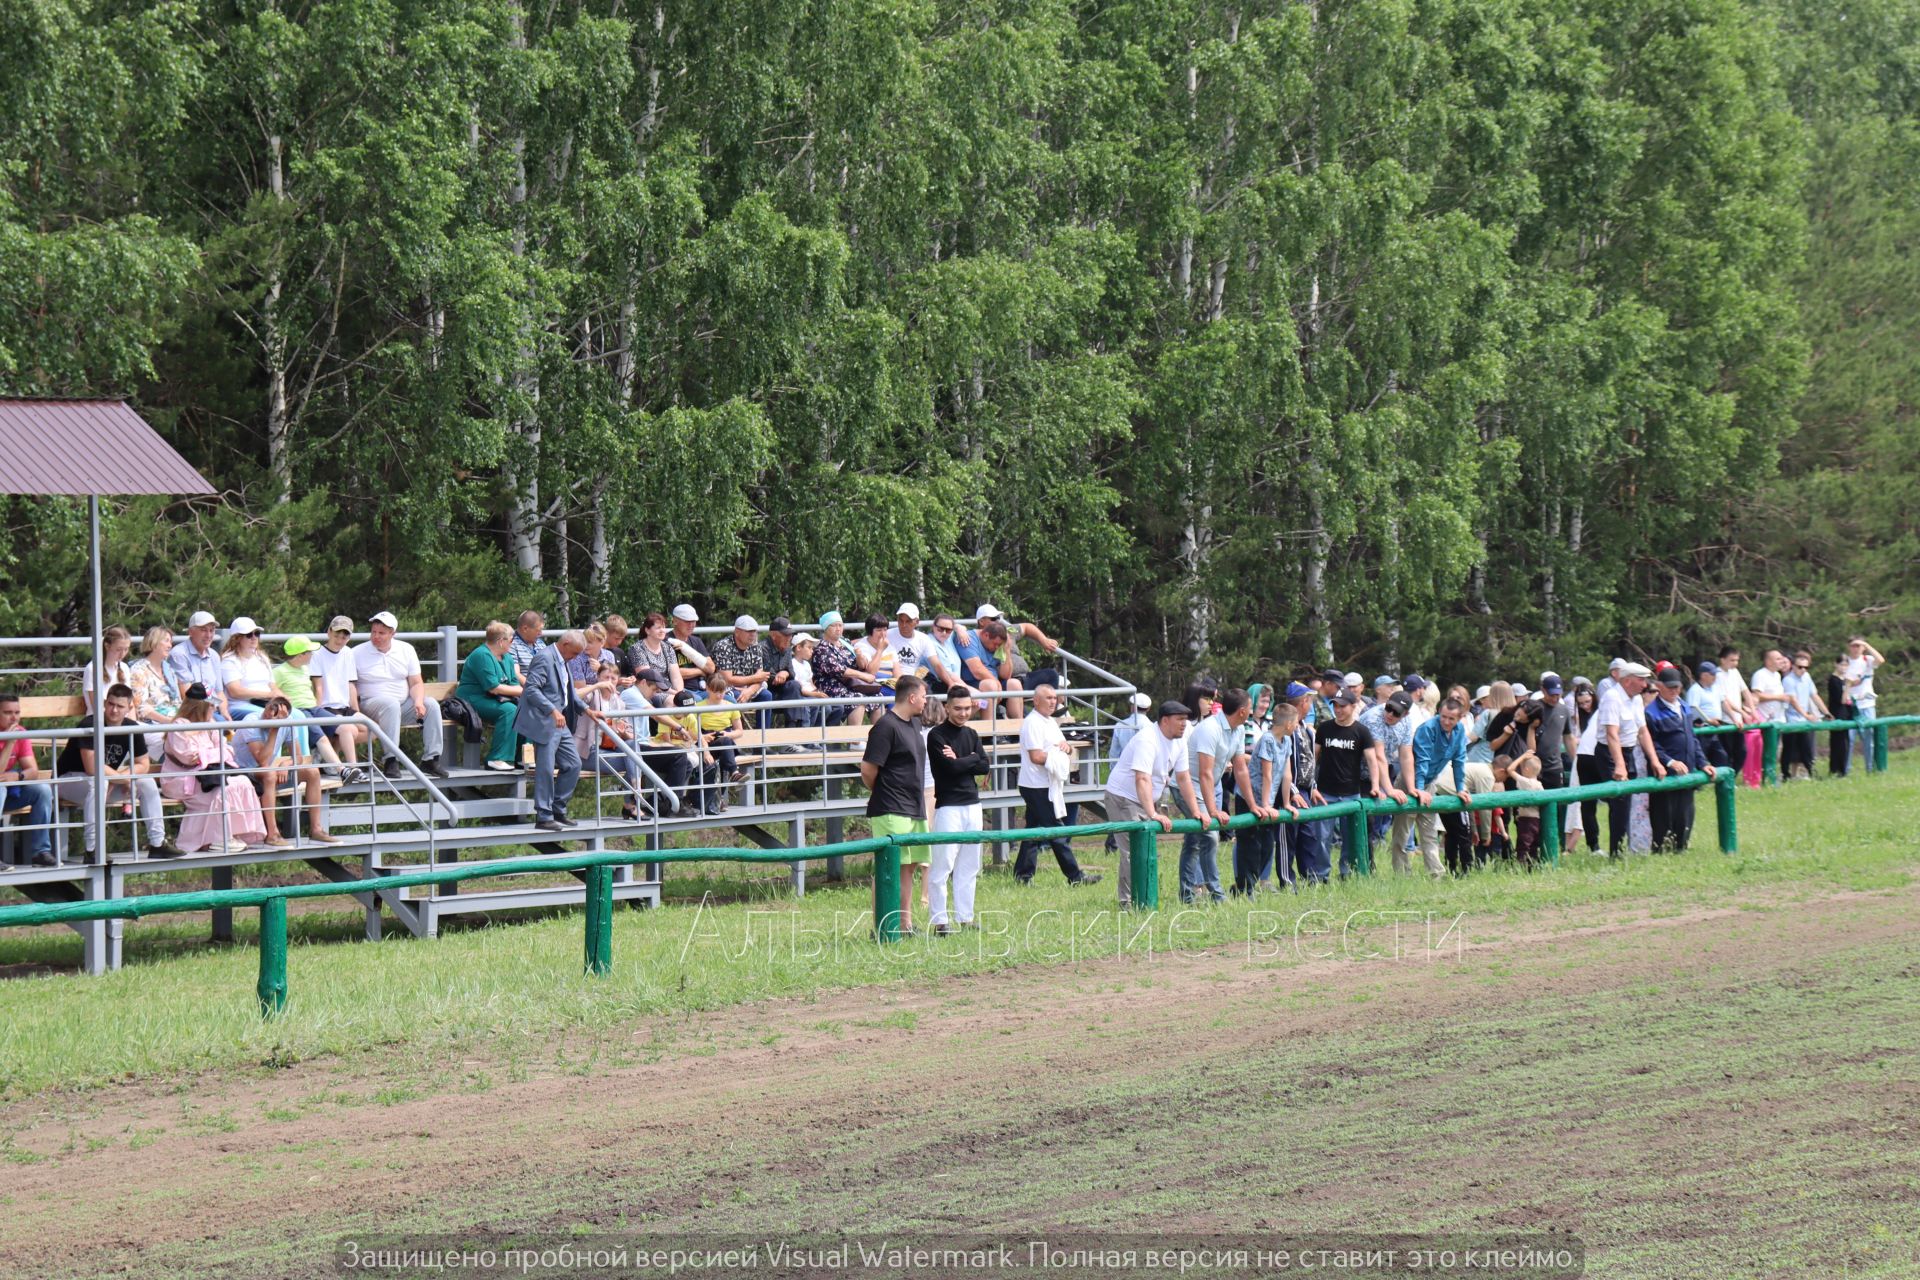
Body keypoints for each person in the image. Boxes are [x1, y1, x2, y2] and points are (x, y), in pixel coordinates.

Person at [1103, 700, 1208, 908]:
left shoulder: (1179, 740)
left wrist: (1196, 811)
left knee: (1146, 851)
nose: (1184, 724)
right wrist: (1153, 814)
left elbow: (1184, 777)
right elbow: (1141, 779)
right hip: (1123, 798)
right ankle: (1128, 902)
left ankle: (1145, 898)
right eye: (1179, 719)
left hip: (1145, 798)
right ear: (1165, 720)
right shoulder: (1147, 739)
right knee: (1132, 853)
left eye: (1185, 720)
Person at [55, 683, 176, 860]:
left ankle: (157, 844)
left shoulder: (131, 727)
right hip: (68, 781)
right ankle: (93, 849)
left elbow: (143, 764)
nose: (114, 710)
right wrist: (123, 779)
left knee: (146, 782)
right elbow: (93, 767)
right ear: (104, 703)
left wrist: (118, 779)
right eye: (111, 704)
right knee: (100, 782)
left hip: (104, 783)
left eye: (120, 706)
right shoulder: (90, 724)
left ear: (129, 708)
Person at [1176, 689, 1269, 902]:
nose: (1254, 710)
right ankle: (1214, 894)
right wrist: (1213, 811)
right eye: (1251, 707)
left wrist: (1252, 805)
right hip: (1189, 785)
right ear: (1243, 711)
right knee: (1209, 836)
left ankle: (1190, 893)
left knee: (1197, 839)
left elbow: (1241, 770)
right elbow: (1204, 773)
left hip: (1211, 785)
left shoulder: (1237, 730)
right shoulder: (1210, 729)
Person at [861, 673, 932, 935]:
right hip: (890, 808)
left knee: (909, 867)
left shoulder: (914, 724)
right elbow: (868, 770)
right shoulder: (885, 726)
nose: (926, 701)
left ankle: (904, 924)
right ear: (912, 697)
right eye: (923, 697)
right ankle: (882, 926)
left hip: (914, 807)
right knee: (889, 867)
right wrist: (884, 791)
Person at [160, 687, 266, 854]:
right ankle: (218, 839)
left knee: (242, 781)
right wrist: (214, 754)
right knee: (223, 788)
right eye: (211, 706)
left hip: (208, 774)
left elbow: (228, 751)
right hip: (181, 778)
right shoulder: (179, 725)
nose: (214, 709)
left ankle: (232, 833)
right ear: (201, 706)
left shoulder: (210, 724)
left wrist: (207, 755)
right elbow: (189, 757)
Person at [1014, 683, 1100, 887]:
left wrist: (1066, 749)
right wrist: (1058, 758)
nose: (1053, 701)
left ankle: (1023, 875)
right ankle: (1075, 877)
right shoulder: (1032, 723)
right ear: (1036, 701)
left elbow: (1066, 747)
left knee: (1033, 830)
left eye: (1055, 697)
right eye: (1048, 698)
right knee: (1056, 831)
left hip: (1047, 784)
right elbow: (1035, 756)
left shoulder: (1051, 722)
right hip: (1036, 785)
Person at [1579, 661, 1663, 856]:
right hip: (1609, 753)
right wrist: (1619, 765)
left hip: (1627, 750)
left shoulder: (1636, 699)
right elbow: (1611, 734)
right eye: (1641, 680)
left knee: (1627, 800)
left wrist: (1655, 760)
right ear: (1627, 681)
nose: (1645, 685)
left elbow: (1643, 732)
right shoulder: (1612, 697)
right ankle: (1617, 851)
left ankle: (1623, 846)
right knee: (1619, 799)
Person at [354, 611, 450, 777]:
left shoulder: (406, 649)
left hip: (401, 704)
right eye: (373, 632)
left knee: (431, 705)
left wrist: (418, 702)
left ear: (393, 633)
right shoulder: (356, 652)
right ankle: (391, 760)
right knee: (390, 704)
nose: (376, 636)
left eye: (381, 633)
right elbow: (351, 686)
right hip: (369, 706)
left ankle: (431, 759)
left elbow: (416, 683)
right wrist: (354, 711)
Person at [926, 686, 990, 933]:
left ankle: (966, 918)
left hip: (973, 805)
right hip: (949, 807)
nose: (963, 713)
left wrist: (965, 759)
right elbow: (950, 769)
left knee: (970, 865)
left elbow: (984, 766)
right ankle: (940, 921)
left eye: (967, 708)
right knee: (942, 866)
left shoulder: (972, 733)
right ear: (946, 707)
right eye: (957, 708)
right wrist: (972, 759)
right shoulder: (936, 735)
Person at [232, 695, 335, 845]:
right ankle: (272, 833)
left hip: (269, 770)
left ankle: (316, 829)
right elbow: (262, 761)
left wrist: (286, 764)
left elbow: (298, 757)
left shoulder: (287, 723)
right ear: (266, 707)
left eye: (275, 715)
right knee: (269, 774)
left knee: (312, 772)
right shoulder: (251, 721)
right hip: (244, 772)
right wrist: (275, 729)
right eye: (268, 712)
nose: (268, 716)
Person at [516, 629, 585, 833]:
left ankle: (557, 808)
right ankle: (544, 815)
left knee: (573, 764)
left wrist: (588, 710)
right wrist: (553, 711)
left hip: (559, 722)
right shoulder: (544, 658)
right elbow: (531, 689)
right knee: (545, 768)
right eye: (573, 653)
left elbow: (567, 691)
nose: (575, 658)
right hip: (545, 721)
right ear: (565, 645)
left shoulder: (564, 660)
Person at [1312, 690, 1381, 878]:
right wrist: (1312, 785)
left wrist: (1375, 786)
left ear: (1353, 706)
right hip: (1325, 793)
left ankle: (1346, 872)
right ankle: (1321, 876)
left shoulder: (1361, 731)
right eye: (1335, 705)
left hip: (1351, 794)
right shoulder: (1325, 728)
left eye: (1342, 706)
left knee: (1350, 839)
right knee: (1322, 838)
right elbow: (1313, 757)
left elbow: (1372, 761)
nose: (1338, 710)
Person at [1236, 697, 1300, 894]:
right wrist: (1264, 804)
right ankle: (1245, 888)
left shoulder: (1287, 740)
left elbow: (1286, 773)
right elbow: (1267, 774)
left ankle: (1251, 884)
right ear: (1288, 723)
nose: (1297, 726)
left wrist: (1287, 802)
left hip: (1268, 800)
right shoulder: (1267, 740)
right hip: (1250, 799)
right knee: (1250, 845)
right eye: (1296, 722)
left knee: (1266, 845)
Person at [1645, 668, 1709, 851]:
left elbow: (1692, 739)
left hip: (1687, 772)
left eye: (1678, 687)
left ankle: (1681, 849)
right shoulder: (1651, 712)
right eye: (1670, 687)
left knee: (1685, 815)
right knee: (1663, 816)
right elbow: (1652, 744)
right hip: (1665, 775)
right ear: (1659, 687)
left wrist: (1703, 762)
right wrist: (1669, 761)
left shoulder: (1684, 706)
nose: (1674, 691)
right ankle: (1661, 851)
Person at [271, 636, 352, 779]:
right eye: (309, 652)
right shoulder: (279, 672)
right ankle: (342, 771)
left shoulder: (304, 669)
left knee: (345, 727)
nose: (312, 655)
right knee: (322, 739)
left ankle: (354, 767)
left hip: (314, 708)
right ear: (300, 655)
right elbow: (272, 691)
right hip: (299, 711)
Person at [576, 659, 644, 820]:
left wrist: (624, 734)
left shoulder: (618, 702)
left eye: (613, 678)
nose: (609, 682)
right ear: (598, 677)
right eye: (605, 677)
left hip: (610, 749)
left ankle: (635, 791)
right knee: (635, 762)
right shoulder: (592, 694)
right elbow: (573, 696)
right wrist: (595, 686)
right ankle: (633, 801)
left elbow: (630, 732)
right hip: (589, 751)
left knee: (633, 746)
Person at [1410, 697, 1470, 877]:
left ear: (1459, 718)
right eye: (1443, 716)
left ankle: (1436, 874)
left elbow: (1459, 760)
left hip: (1430, 782)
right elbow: (1422, 761)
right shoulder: (1428, 728)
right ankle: (1402, 873)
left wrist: (1460, 787)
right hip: (1411, 781)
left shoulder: (1459, 731)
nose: (1446, 721)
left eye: (1451, 718)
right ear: (1438, 713)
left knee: (1429, 831)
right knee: (1403, 832)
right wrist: (1419, 789)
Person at [1359, 691, 1415, 870]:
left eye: (1396, 712)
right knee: (1364, 820)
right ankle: (1365, 868)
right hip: (1357, 772)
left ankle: (1368, 865)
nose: (1390, 714)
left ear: (1405, 714)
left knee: (1376, 820)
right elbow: (1378, 755)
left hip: (1381, 771)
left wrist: (1412, 788)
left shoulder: (1406, 722)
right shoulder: (1374, 718)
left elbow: (1406, 756)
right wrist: (1389, 789)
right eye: (1388, 708)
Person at [0, 693, 58, 866]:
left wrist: (18, 775)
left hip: (8, 792)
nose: (14, 718)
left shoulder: (21, 733)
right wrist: (10, 742)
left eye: (17, 712)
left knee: (42, 790)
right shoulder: (13, 736)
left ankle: (40, 852)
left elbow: (33, 770)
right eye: (7, 712)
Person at [458, 621, 524, 771]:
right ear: (501, 641)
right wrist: (524, 692)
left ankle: (521, 757)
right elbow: (493, 687)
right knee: (509, 710)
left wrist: (523, 694)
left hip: (494, 698)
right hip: (473, 699)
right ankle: (497, 758)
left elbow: (514, 683)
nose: (513, 643)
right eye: (511, 640)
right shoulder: (481, 655)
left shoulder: (506, 657)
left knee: (525, 707)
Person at [308, 616, 366, 779]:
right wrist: (317, 713)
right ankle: (353, 768)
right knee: (349, 729)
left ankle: (329, 755)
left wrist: (355, 711)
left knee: (372, 729)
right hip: (326, 707)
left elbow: (350, 685)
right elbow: (318, 687)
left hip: (344, 707)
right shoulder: (317, 653)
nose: (340, 640)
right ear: (329, 632)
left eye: (344, 637)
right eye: (337, 635)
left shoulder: (348, 653)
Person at [690, 671, 748, 813]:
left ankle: (719, 798)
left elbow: (739, 731)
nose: (719, 695)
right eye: (716, 691)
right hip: (706, 742)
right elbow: (693, 731)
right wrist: (705, 738)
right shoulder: (698, 707)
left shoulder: (730, 705)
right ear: (708, 689)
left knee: (725, 745)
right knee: (725, 748)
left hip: (726, 741)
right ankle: (734, 774)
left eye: (722, 691)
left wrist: (727, 733)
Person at [1284, 682, 1325, 882]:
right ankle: (1287, 879)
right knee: (1289, 837)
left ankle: (1310, 876)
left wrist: (1313, 787)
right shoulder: (1287, 730)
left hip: (1306, 791)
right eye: (1309, 700)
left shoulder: (1305, 729)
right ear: (1303, 702)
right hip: (1291, 792)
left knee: (1309, 836)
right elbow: (1285, 765)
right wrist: (1293, 791)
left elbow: (1309, 761)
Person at [128, 626, 187, 761]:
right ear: (154, 642)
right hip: (154, 725)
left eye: (170, 642)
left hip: (175, 721)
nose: (170, 645)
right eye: (166, 641)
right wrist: (169, 721)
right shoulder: (139, 671)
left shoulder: (169, 670)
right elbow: (141, 710)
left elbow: (177, 702)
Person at [708, 616, 775, 723]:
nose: (753, 634)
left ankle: (763, 734)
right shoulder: (723, 647)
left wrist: (750, 690)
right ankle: (734, 732)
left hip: (749, 687)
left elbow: (761, 676)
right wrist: (755, 678)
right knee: (734, 698)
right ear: (737, 632)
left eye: (755, 631)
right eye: (749, 631)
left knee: (766, 695)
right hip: (724, 688)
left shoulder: (756, 647)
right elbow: (727, 679)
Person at [166, 611, 229, 718]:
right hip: (195, 712)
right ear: (191, 632)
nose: (208, 635)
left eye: (212, 630)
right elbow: (187, 695)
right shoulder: (179, 654)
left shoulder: (214, 656)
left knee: (251, 720)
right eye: (203, 630)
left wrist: (224, 712)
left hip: (214, 709)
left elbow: (219, 692)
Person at [809, 612, 865, 726]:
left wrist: (859, 657)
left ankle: (879, 739)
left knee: (877, 697)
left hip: (850, 684)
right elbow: (839, 670)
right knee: (858, 699)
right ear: (825, 628)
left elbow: (861, 666)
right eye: (834, 626)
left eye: (840, 625)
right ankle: (855, 741)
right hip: (830, 686)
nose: (838, 629)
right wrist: (864, 676)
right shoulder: (822, 647)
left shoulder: (846, 643)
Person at [218, 617, 276, 719]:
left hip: (265, 703)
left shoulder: (262, 657)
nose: (254, 638)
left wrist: (282, 697)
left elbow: (273, 686)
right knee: (272, 716)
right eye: (249, 635)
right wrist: (268, 695)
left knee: (298, 715)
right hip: (240, 706)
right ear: (237, 638)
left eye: (256, 633)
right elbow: (236, 691)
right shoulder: (229, 660)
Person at [1780, 650, 1823, 779]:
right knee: (1789, 749)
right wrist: (1806, 715)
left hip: (1803, 720)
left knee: (1806, 748)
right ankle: (1786, 774)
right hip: (1791, 720)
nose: (1803, 670)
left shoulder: (1807, 677)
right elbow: (1793, 700)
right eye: (1800, 667)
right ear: (1793, 666)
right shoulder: (1788, 680)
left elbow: (1814, 695)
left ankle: (1809, 772)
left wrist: (1826, 712)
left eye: (1806, 667)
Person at [1846, 636, 1886, 771]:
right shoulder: (1846, 662)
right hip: (1850, 705)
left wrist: (1866, 645)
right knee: (1849, 740)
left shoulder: (1867, 660)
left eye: (1859, 646)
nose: (1856, 648)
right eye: (1853, 645)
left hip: (1867, 704)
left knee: (1869, 740)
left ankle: (1870, 768)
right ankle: (1846, 769)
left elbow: (1880, 660)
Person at [624, 612, 683, 699]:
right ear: (647, 630)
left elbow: (676, 678)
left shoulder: (668, 648)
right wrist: (676, 695)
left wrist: (680, 693)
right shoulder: (637, 649)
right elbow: (649, 681)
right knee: (674, 702)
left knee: (693, 699)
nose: (662, 630)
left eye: (663, 627)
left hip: (670, 690)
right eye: (658, 628)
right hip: (651, 691)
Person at [1715, 645, 1754, 776]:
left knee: (1741, 752)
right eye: (1732, 660)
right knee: (1728, 752)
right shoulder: (1717, 675)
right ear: (1723, 660)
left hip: (1737, 720)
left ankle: (1732, 776)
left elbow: (1745, 691)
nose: (1735, 663)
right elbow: (1724, 700)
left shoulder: (1735, 673)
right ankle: (1727, 778)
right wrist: (1741, 713)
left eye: (1737, 660)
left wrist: (1752, 710)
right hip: (1726, 719)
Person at [79, 625, 136, 714]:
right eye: (118, 649)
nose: (123, 654)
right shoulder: (93, 669)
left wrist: (133, 725)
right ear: (107, 646)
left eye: (126, 649)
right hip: (100, 721)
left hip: (122, 720)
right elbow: (97, 707)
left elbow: (130, 703)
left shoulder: (124, 668)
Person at [1532, 676, 1576, 791]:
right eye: (1552, 695)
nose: (1555, 698)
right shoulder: (1533, 708)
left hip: (1555, 766)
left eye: (1558, 695)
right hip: (1533, 766)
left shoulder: (1563, 710)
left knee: (1557, 803)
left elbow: (1568, 737)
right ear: (1543, 690)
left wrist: (1575, 761)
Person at [1687, 663, 1730, 768]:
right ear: (1703, 675)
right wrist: (1708, 720)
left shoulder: (1715, 688)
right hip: (1702, 731)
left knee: (1722, 758)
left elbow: (1723, 703)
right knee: (1700, 760)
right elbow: (1693, 710)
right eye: (1712, 674)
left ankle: (1722, 783)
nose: (1715, 677)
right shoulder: (1695, 690)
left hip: (1714, 730)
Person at [785, 632, 830, 728]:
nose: (812, 651)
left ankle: (817, 735)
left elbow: (810, 682)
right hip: (803, 695)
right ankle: (807, 734)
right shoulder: (792, 664)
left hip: (812, 694)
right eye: (809, 648)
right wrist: (815, 695)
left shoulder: (807, 664)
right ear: (798, 648)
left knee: (827, 708)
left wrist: (818, 692)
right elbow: (799, 688)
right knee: (814, 704)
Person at [667, 604, 715, 692]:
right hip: (680, 690)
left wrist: (685, 648)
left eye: (693, 621)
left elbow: (711, 668)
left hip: (703, 689)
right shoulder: (666, 642)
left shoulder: (697, 641)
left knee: (730, 700)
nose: (691, 625)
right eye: (687, 621)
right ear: (675, 621)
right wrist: (700, 671)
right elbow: (671, 672)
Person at [885, 603, 932, 679]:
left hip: (911, 680)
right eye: (901, 620)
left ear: (917, 622)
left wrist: (950, 682)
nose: (904, 625)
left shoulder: (924, 639)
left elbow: (936, 663)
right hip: (890, 678)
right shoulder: (886, 634)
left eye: (908, 621)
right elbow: (867, 640)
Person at [1826, 653, 1854, 778]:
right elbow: (1841, 700)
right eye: (1842, 664)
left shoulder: (1843, 679)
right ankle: (1836, 769)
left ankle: (1843, 768)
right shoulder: (1834, 680)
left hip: (1846, 713)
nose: (1844, 667)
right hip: (1837, 713)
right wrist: (1848, 686)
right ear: (1836, 664)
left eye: (1846, 664)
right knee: (1838, 742)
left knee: (1845, 742)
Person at [854, 614, 898, 686]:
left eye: (885, 630)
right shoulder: (862, 646)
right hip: (874, 685)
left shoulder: (889, 646)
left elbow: (897, 671)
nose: (883, 634)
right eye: (879, 630)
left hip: (890, 683)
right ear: (870, 631)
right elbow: (871, 672)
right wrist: (880, 650)